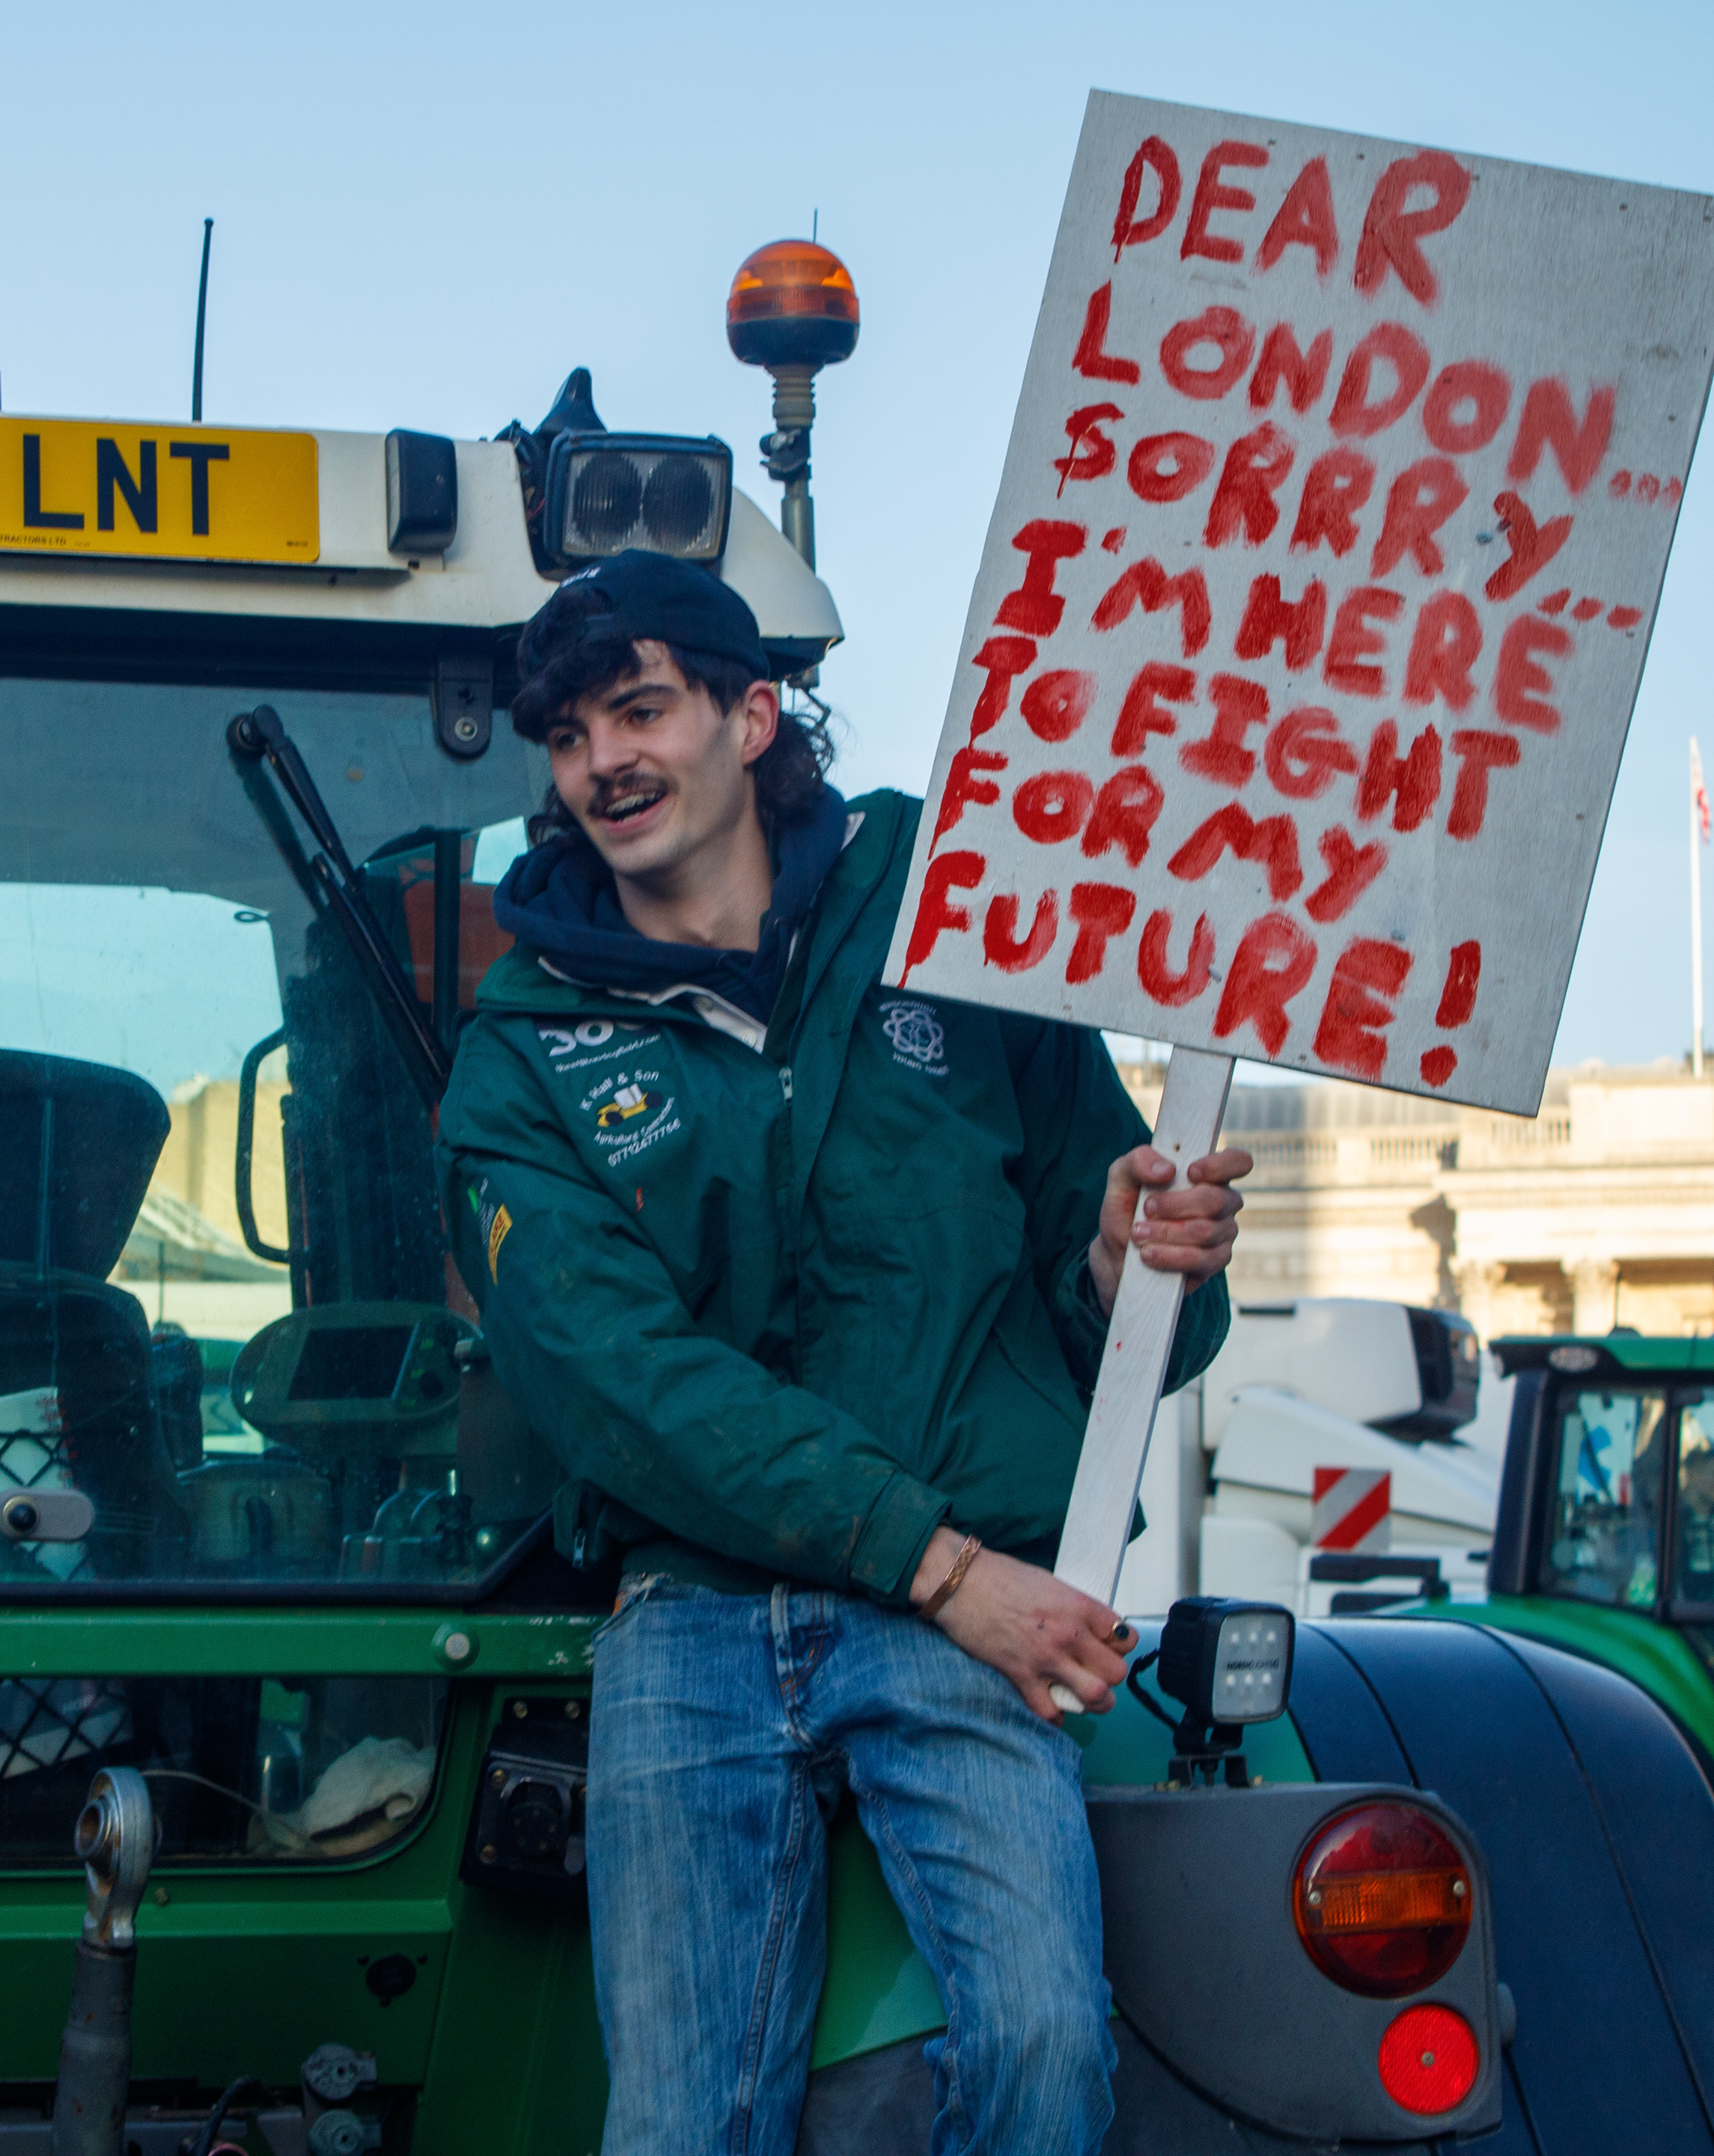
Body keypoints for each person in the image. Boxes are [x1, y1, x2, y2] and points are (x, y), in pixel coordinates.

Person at [436, 552, 1254, 2155]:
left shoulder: (964, 918)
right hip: (700, 1612)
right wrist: (949, 1569)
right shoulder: (520, 1057)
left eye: (641, 706)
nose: (605, 759)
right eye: (567, 734)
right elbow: (628, 1386)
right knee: (683, 2128)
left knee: (1039, 2052)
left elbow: (1120, 1310)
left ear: (752, 715)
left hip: (969, 1605)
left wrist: (1128, 1267)